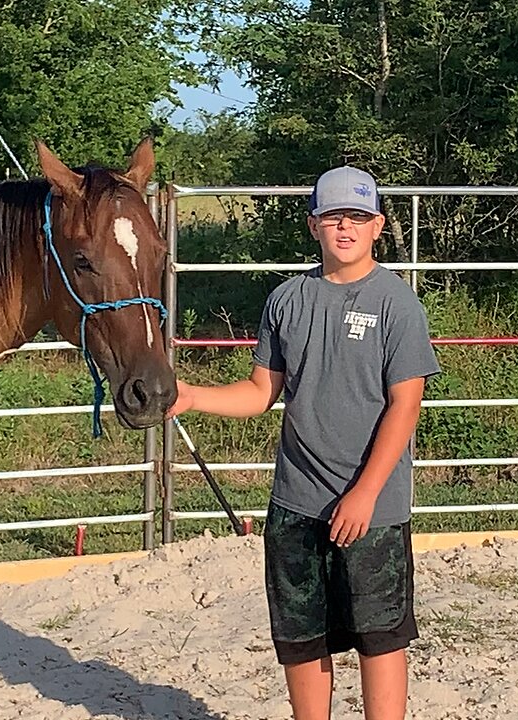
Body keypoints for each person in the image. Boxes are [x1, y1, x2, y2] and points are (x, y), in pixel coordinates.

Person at [167, 165, 440, 720]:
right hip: (295, 501)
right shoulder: (286, 300)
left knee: (380, 634)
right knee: (300, 635)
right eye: (334, 216)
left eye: (358, 217)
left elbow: (404, 406)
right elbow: (259, 391)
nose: (346, 227)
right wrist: (192, 395)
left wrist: (364, 493)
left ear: (378, 226)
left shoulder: (397, 304)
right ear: (314, 224)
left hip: (374, 507)